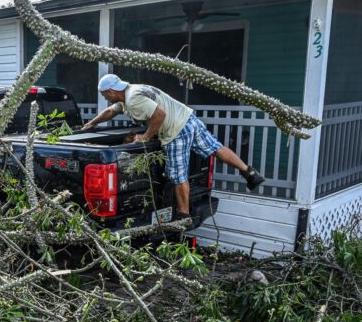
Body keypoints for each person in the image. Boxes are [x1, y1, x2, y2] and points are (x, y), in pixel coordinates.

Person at [82, 74, 265, 221]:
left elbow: (159, 115)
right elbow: (110, 111)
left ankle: (183, 215)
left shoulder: (133, 100)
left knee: (177, 174)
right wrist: (91, 124)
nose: (104, 98)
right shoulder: (132, 91)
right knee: (215, 148)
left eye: (103, 94)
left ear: (112, 91)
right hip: (188, 119)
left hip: (176, 130)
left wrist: (146, 137)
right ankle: (249, 173)